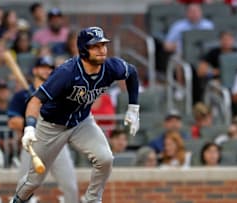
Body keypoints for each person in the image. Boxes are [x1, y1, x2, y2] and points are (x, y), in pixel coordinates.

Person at [9, 26, 140, 203]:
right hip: (51, 126)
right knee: (34, 180)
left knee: (105, 158)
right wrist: (30, 127)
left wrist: (133, 107)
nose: (102, 50)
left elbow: (131, 72)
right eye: (95, 46)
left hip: (82, 122)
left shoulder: (110, 67)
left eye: (103, 45)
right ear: (84, 50)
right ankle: (17, 200)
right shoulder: (66, 73)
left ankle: (92, 200)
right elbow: (35, 100)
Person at [7, 56, 79, 203]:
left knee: (71, 187)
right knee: (23, 187)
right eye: (43, 67)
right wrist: (33, 122)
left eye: (50, 68)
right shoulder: (22, 96)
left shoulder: (59, 94)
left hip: (57, 144)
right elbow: (13, 122)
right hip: (32, 147)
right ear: (35, 70)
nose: (47, 71)